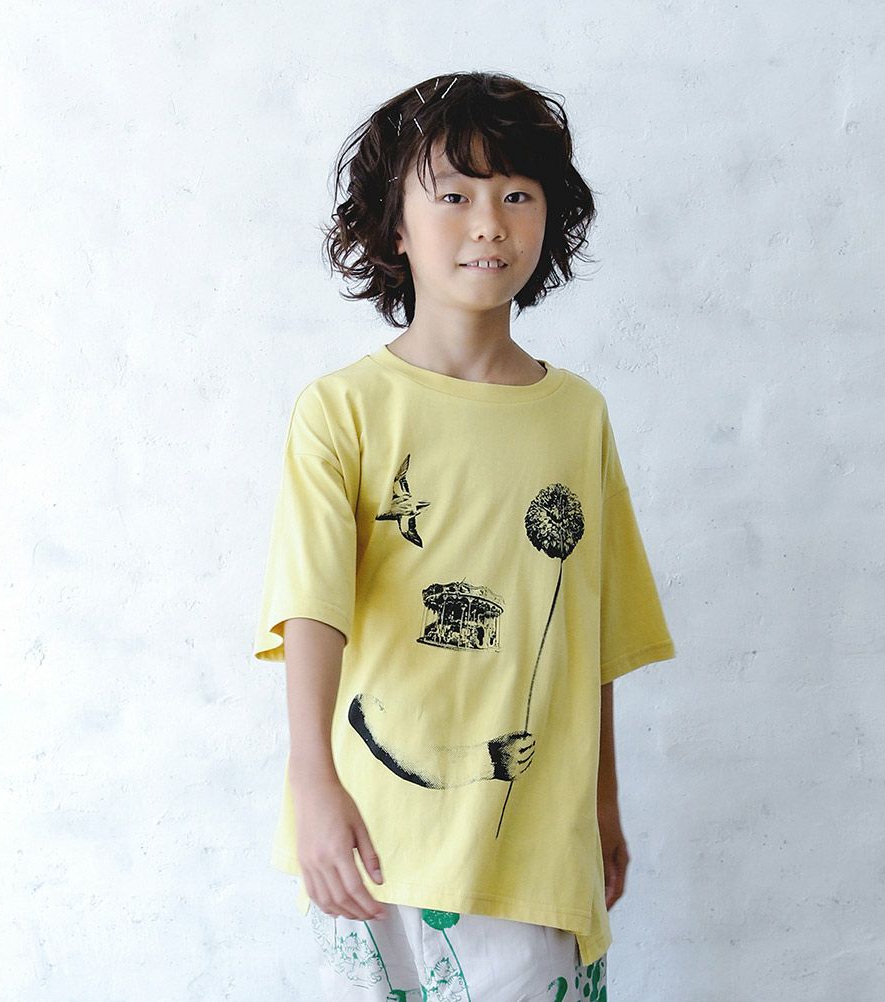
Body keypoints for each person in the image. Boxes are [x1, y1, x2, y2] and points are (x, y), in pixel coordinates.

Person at [252, 70, 676, 1001]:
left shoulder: (577, 416)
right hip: (375, 839)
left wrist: (603, 802)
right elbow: (311, 610)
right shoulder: (342, 411)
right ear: (396, 227)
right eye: (454, 196)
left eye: (517, 195)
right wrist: (313, 784)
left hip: (533, 847)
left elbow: (592, 631)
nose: (489, 223)